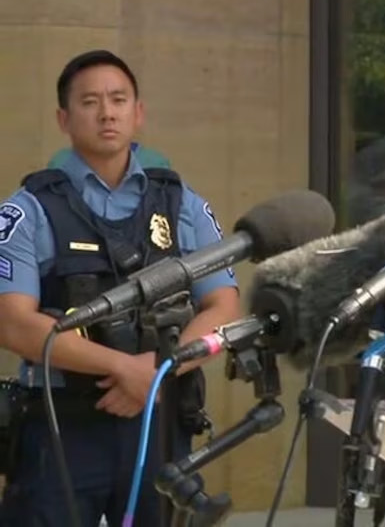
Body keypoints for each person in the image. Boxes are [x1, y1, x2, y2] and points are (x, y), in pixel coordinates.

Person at [0, 50, 240, 527]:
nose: (107, 113)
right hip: (62, 429)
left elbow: (223, 305)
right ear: (64, 119)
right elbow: (14, 324)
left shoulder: (182, 204)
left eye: (118, 99)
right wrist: (124, 369)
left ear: (138, 112)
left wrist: (157, 372)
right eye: (90, 102)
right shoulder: (28, 210)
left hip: (159, 422)